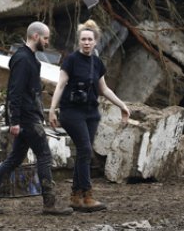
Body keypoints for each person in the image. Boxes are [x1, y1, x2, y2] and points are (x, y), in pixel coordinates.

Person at [0, 21, 72, 215]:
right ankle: (49, 203)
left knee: (15, 158)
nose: (47, 41)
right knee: (44, 156)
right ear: (35, 36)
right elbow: (14, 91)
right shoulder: (23, 59)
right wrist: (15, 121)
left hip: (28, 116)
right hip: (27, 118)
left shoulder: (29, 59)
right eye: (45, 38)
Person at [48, 19, 130, 212]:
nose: (86, 42)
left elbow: (104, 89)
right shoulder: (71, 60)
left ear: (95, 42)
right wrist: (52, 108)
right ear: (79, 42)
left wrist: (122, 106)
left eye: (89, 40)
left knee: (83, 153)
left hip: (91, 113)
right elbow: (60, 85)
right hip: (71, 112)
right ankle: (87, 194)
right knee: (85, 150)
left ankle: (76, 197)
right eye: (83, 39)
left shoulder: (97, 63)